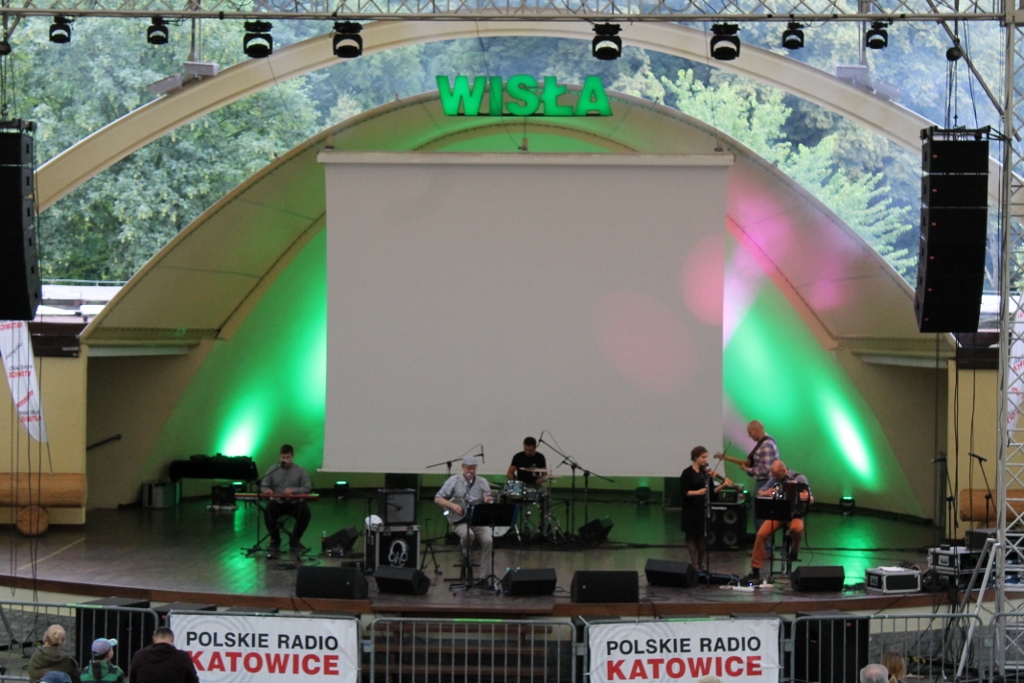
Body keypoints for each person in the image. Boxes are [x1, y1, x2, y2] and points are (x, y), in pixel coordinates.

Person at [741, 459, 812, 583]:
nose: (775, 478)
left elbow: (811, 499)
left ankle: (794, 550)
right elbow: (760, 492)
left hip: (795, 515)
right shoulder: (774, 478)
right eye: (774, 476)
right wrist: (767, 493)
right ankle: (755, 570)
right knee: (761, 534)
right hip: (778, 515)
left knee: (797, 528)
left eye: (777, 475)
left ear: (784, 470)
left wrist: (807, 497)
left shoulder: (800, 478)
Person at [436, 454, 495, 584]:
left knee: (488, 540)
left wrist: (487, 500)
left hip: (477, 519)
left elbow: (488, 498)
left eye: (474, 468)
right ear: (463, 467)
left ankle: (484, 577)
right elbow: (438, 498)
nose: (472, 471)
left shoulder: (482, 482)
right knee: (468, 535)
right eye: (469, 468)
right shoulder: (454, 480)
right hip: (459, 519)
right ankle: (465, 553)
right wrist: (452, 506)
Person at [680, 446, 732, 571]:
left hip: (703, 508)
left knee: (703, 536)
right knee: (691, 536)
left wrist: (723, 486)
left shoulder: (706, 474)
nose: (705, 460)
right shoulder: (687, 473)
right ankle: (694, 564)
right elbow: (683, 492)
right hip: (690, 508)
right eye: (703, 457)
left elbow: (712, 493)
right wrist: (698, 492)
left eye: (706, 457)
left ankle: (700, 561)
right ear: (695, 458)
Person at [260, 443, 312, 552]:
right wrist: (267, 490)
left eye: (288, 457)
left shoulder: (300, 471)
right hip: (278, 502)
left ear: (292, 456)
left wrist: (294, 490)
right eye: (283, 458)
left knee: (305, 513)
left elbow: (307, 488)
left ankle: (295, 539)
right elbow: (264, 484)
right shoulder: (273, 469)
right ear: (280, 457)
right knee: (268, 512)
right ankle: (275, 539)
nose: (285, 460)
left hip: (294, 503)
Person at [743, 420, 779, 552]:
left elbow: (766, 469)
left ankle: (766, 549)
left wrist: (748, 470)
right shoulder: (766, 442)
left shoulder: (766, 445)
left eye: (750, 432)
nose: (749, 435)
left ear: (757, 430)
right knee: (761, 516)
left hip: (765, 483)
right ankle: (764, 548)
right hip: (765, 482)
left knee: (761, 516)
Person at [129, 627, 199, 683]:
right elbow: (192, 679)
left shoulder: (140, 655)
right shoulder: (182, 657)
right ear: (173, 639)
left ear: (154, 639)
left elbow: (132, 678)